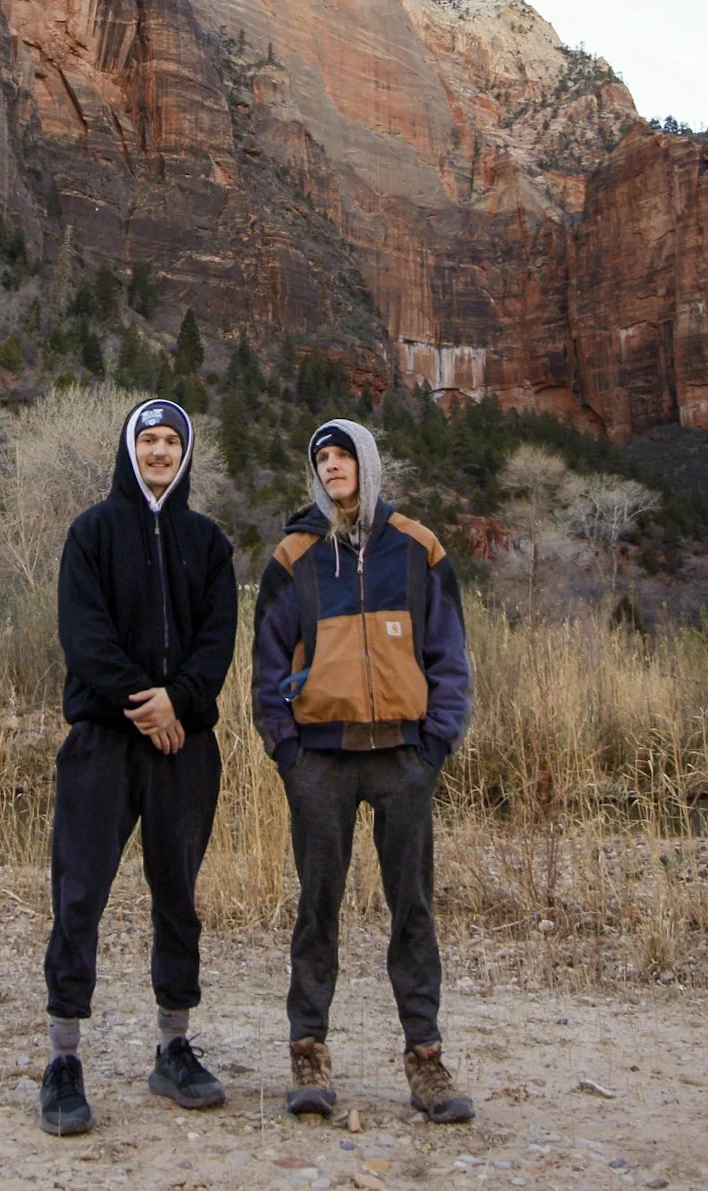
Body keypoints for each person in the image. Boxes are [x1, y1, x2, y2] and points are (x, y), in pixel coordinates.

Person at [253, 416, 473, 1124]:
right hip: (320, 759)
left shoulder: (417, 546)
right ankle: (308, 1050)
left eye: (343, 454)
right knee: (317, 908)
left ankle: (425, 1058)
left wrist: (435, 744)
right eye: (321, 457)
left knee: (413, 908)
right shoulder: (294, 555)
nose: (332, 465)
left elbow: (449, 653)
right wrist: (287, 751)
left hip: (403, 757)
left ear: (367, 463)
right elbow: (265, 662)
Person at [41, 397, 239, 1137]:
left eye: (170, 442)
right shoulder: (91, 532)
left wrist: (178, 702)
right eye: (148, 440)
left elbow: (218, 640)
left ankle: (173, 1047)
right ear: (130, 450)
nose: (159, 452)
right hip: (103, 738)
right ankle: (64, 1058)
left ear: (185, 455)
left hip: (184, 745)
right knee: (79, 893)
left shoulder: (208, 541)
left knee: (177, 895)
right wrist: (144, 702)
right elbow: (83, 634)